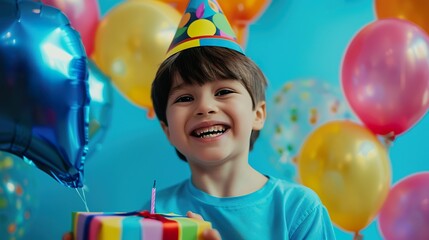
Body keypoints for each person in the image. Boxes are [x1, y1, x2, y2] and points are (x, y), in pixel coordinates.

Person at [64, 0, 336, 239]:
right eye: (185, 98)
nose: (205, 107)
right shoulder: (158, 214)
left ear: (258, 114)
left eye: (224, 92)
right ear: (167, 130)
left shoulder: (298, 209)